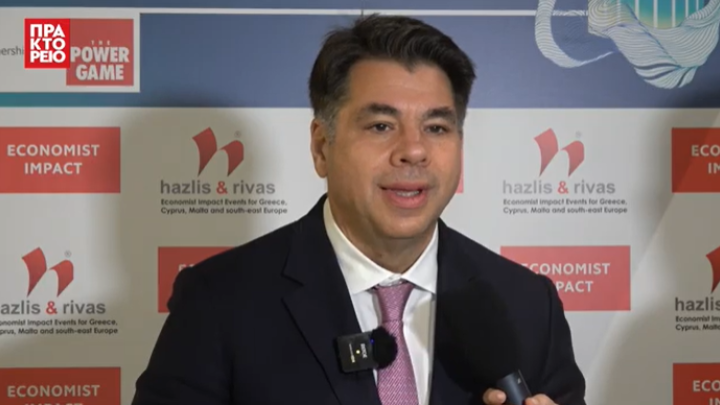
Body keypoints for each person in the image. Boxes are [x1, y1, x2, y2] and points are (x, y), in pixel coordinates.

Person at [131, 14, 586, 405]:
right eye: (381, 125)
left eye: (436, 127)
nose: (413, 150)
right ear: (321, 146)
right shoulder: (219, 302)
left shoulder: (527, 305)